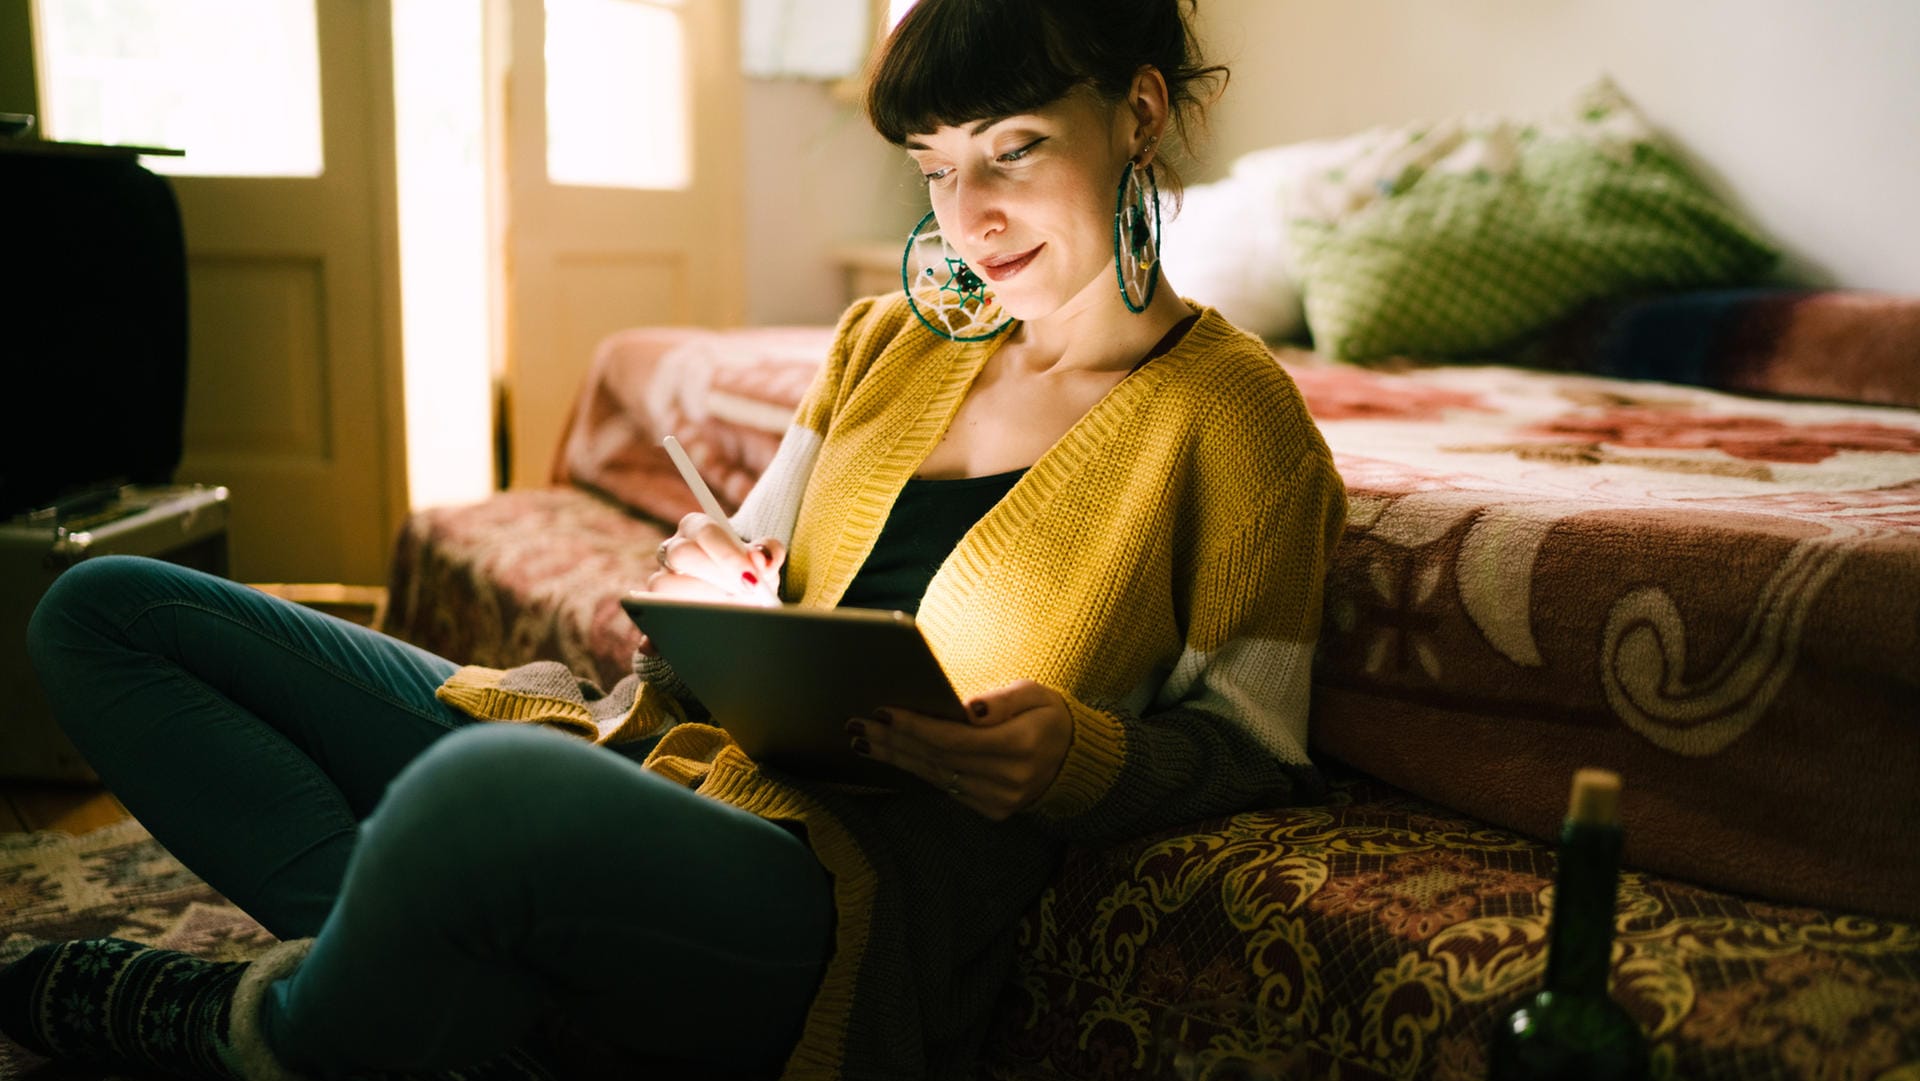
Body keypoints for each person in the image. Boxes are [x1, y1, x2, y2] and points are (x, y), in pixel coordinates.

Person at [0, 0, 1347, 1078]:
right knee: (107, 610)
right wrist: (716, 578)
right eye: (937, 170)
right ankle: (451, 1010)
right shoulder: (889, 342)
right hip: (658, 756)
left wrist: (1078, 754)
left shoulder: (1237, 426)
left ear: (1140, 111)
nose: (968, 221)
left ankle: (272, 1030)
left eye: (1011, 152)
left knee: (478, 803)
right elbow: (745, 566)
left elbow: (1256, 756)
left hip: (828, 895)